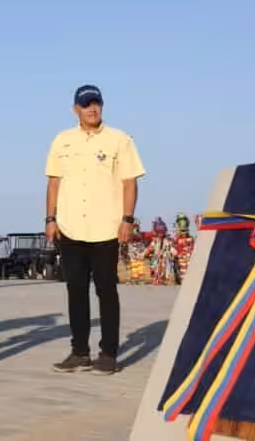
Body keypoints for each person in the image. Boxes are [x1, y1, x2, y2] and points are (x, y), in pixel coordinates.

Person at [45, 85, 145, 375]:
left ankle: (109, 353)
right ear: (76, 108)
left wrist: (127, 220)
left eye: (96, 103)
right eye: (86, 104)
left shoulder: (120, 139)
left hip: (106, 228)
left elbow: (130, 182)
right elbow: (53, 183)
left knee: (106, 289)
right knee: (75, 289)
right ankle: (79, 352)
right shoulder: (62, 140)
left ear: (102, 105)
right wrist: (50, 220)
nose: (92, 109)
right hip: (70, 226)